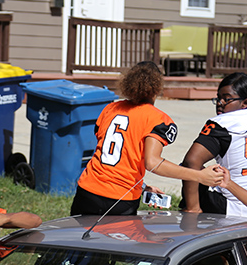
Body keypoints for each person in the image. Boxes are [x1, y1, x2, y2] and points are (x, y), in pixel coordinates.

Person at [71, 61, 224, 216]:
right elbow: (152, 162)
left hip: (87, 190)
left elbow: (113, 158)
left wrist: (142, 186)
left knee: (76, 239)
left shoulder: (111, 109)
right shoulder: (157, 119)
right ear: (157, 88)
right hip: (119, 198)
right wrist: (199, 176)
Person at [181, 72, 247, 216]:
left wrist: (193, 208)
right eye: (218, 98)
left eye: (226, 99)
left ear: (245, 103)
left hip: (240, 207)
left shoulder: (224, 123)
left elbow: (191, 162)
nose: (220, 103)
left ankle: (191, 212)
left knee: (191, 171)